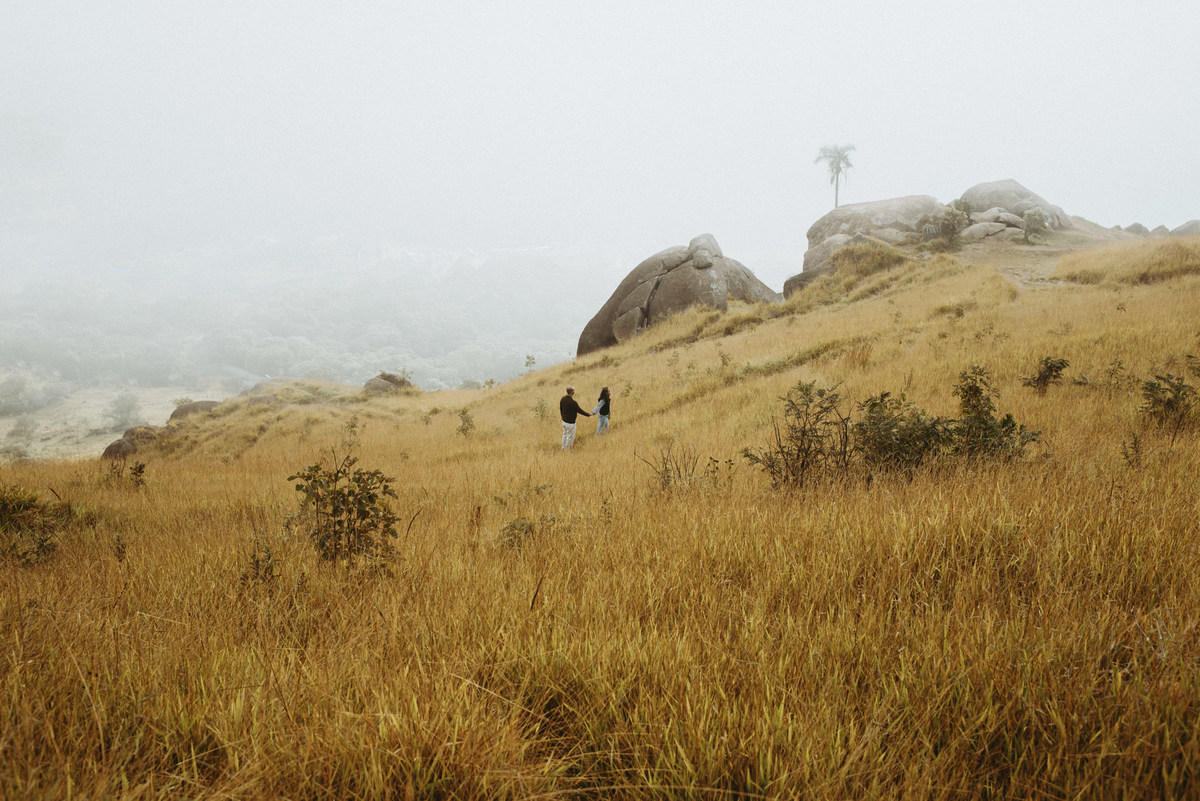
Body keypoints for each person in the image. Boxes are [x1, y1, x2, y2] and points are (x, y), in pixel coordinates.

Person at [559, 385, 591, 450]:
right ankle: (567, 450)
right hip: (570, 423)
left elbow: (561, 409)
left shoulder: (563, 399)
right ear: (572, 392)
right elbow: (580, 410)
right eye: (573, 391)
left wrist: (562, 417)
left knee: (564, 435)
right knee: (570, 437)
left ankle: (563, 448)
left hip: (564, 421)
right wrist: (588, 414)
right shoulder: (573, 402)